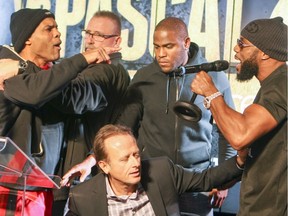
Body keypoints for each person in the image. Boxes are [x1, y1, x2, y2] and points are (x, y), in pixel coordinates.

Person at [62, 16, 236, 215]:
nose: (161, 54)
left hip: (198, 181)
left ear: (186, 43)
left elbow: (228, 133)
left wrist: (224, 181)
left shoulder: (213, 77)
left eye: (168, 46)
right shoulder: (145, 76)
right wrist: (92, 159)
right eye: (157, 47)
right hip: (153, 180)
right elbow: (124, 125)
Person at [0, 8, 119, 216]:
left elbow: (90, 99)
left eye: (56, 27)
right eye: (49, 29)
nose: (58, 33)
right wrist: (80, 60)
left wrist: (30, 68)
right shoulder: (5, 71)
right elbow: (35, 92)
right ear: (27, 39)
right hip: (10, 189)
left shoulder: (53, 73)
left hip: (43, 189)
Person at [191, 17, 287, 216]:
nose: (236, 49)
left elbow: (240, 135)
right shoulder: (272, 86)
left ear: (264, 54)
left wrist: (211, 92)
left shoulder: (281, 86)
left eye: (242, 44)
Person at [66, 124, 246, 216]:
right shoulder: (83, 198)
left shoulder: (161, 171)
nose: (135, 163)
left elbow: (206, 179)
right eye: (125, 159)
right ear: (104, 166)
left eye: (136, 155)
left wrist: (241, 160)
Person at [52, 10, 130, 215]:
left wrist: (35, 81)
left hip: (76, 177)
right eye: (88, 32)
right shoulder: (101, 68)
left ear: (117, 41)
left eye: (98, 35)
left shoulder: (105, 70)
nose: (90, 40)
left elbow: (73, 99)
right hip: (81, 175)